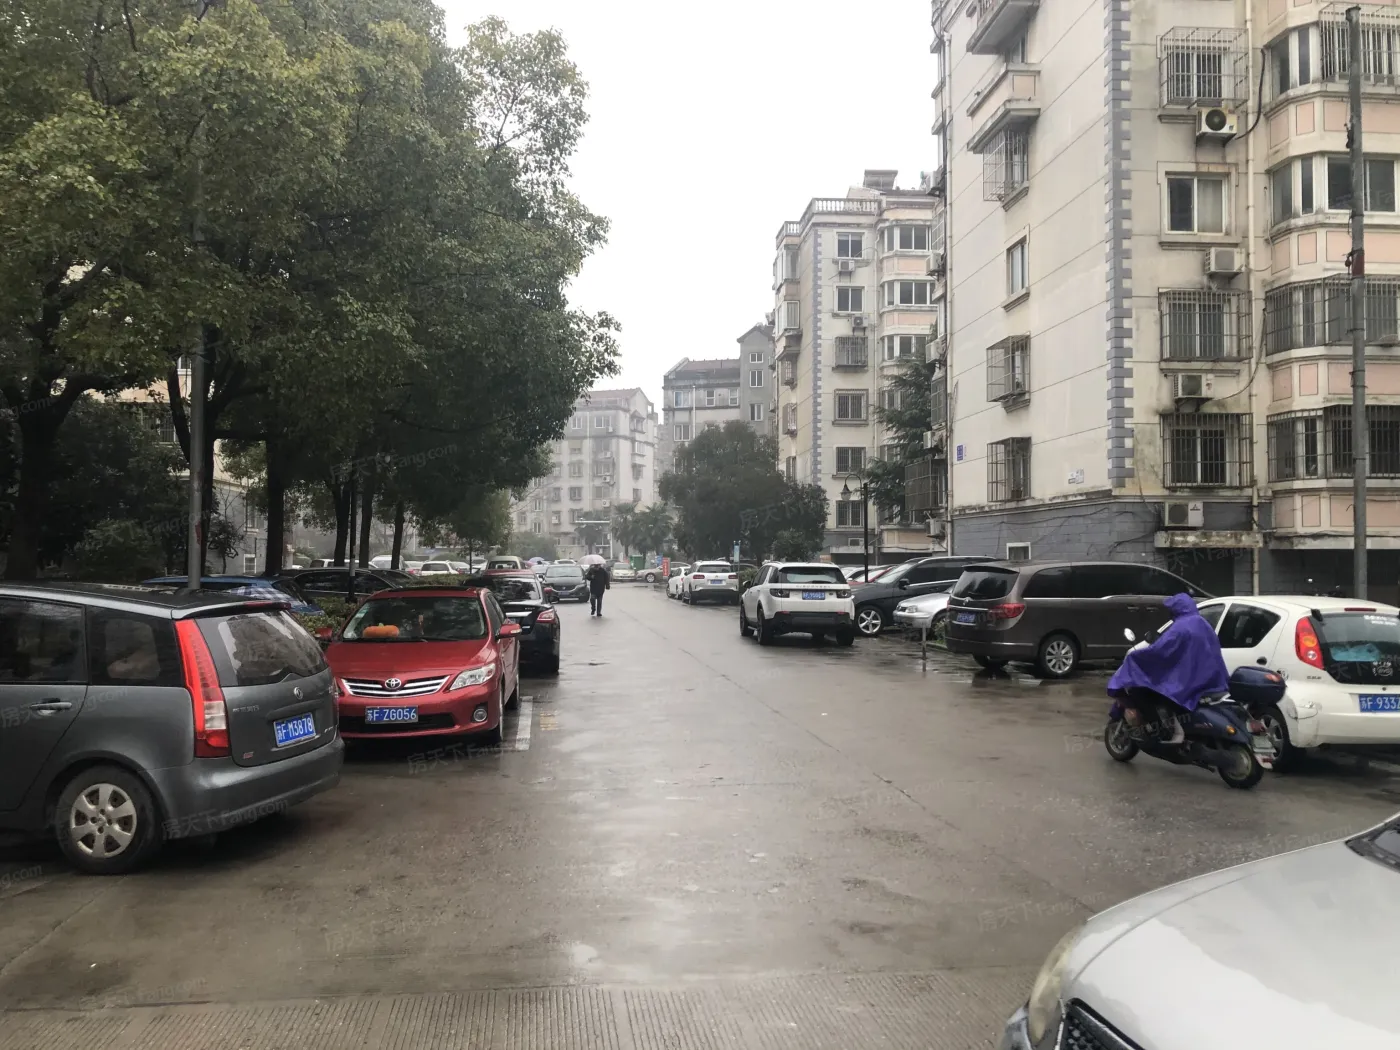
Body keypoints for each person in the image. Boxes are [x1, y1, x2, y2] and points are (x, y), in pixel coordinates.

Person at [1106, 592, 1229, 744]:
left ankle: (1161, 731)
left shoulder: (1179, 628)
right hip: (1211, 681)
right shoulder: (1204, 625)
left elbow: (1159, 651)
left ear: (1176, 609)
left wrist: (1136, 656)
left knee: (1141, 693)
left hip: (1187, 684)